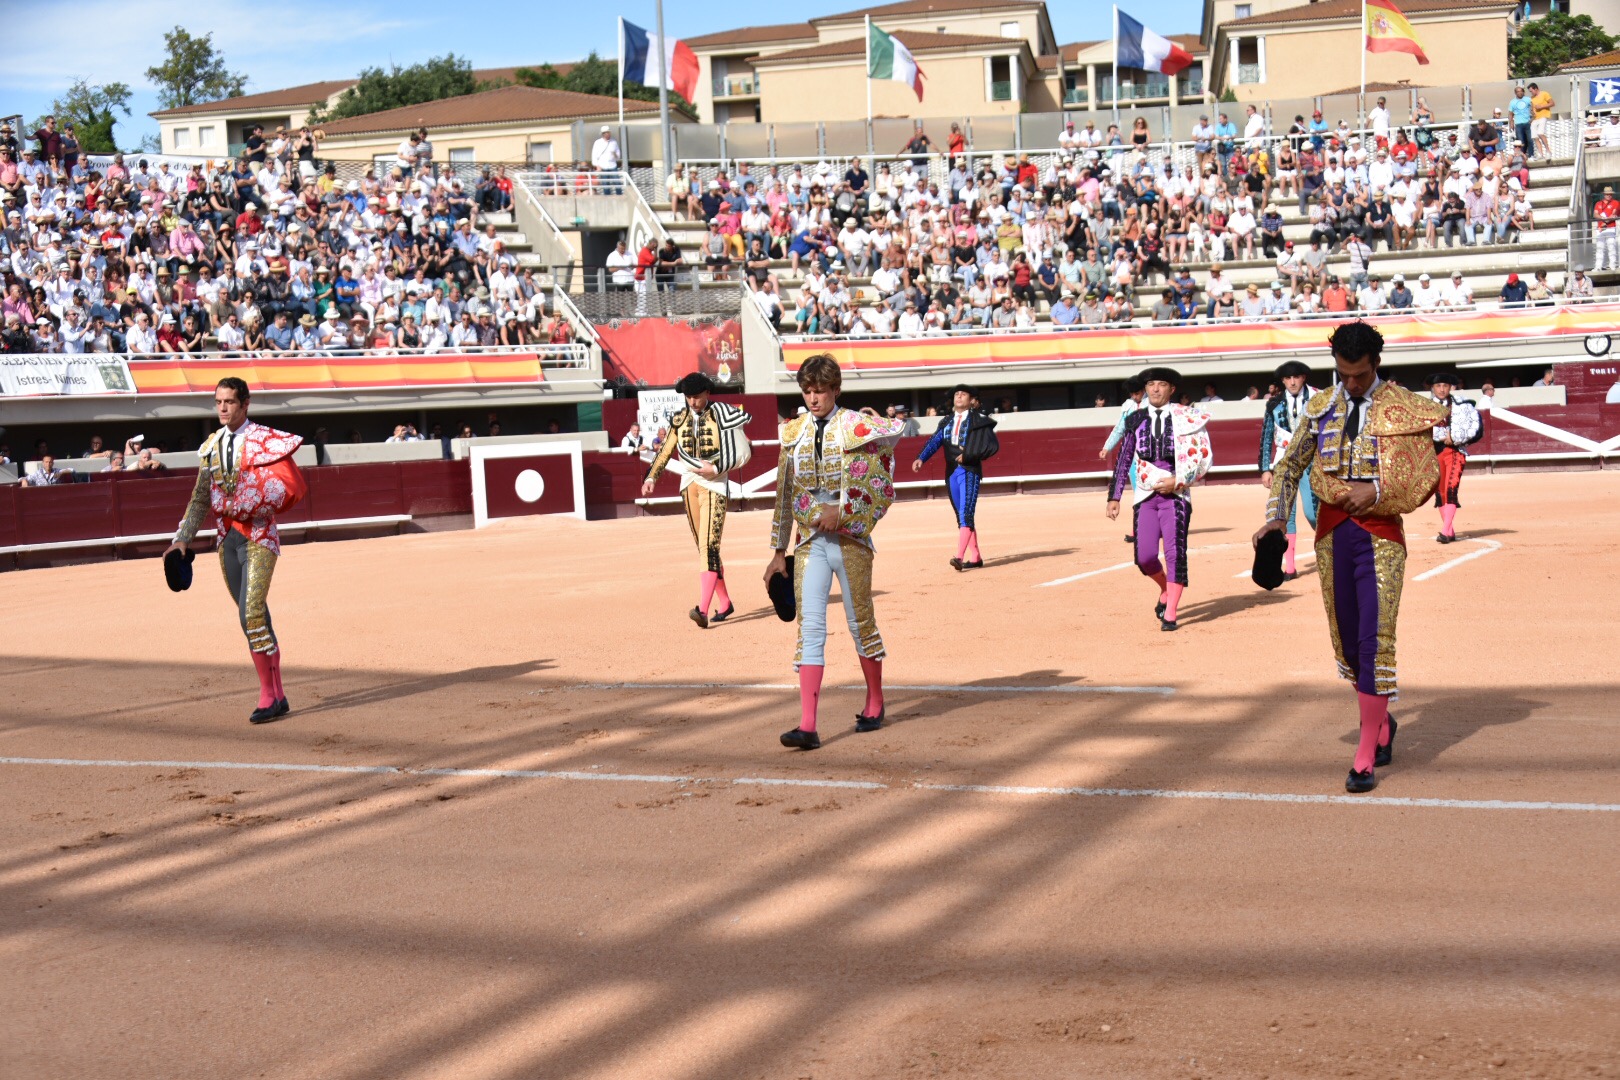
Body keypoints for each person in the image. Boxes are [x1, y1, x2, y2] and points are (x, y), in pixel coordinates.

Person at [1255, 322, 1451, 793]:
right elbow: (1287, 469)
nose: (1352, 383)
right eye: (1344, 373)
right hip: (1331, 535)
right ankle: (1381, 725)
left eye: (1360, 374)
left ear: (1376, 365)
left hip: (1382, 536)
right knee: (1345, 640)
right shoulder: (1323, 407)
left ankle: (1364, 757)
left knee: (1373, 640)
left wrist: (1379, 489)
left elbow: (1425, 477)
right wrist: (1277, 519)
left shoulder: (1403, 407)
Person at [766, 354, 906, 750]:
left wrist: (842, 511)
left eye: (820, 391)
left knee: (860, 620)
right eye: (807, 392)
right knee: (809, 628)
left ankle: (875, 701)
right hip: (809, 540)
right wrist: (778, 550)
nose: (813, 399)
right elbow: (784, 494)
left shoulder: (856, 426)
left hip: (851, 539)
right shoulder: (792, 432)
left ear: (836, 390)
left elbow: (880, 484)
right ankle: (807, 725)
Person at [166, 378, 307, 724]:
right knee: (252, 617)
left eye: (229, 401)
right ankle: (278, 694)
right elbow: (200, 497)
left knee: (251, 613)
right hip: (226, 538)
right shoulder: (210, 446)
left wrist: (254, 502)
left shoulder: (264, 440)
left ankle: (267, 696)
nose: (223, 408)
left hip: (259, 535)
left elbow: (290, 488)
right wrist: (182, 537)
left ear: (245, 404)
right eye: (218, 402)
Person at [639, 372, 754, 628]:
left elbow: (744, 451)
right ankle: (724, 603)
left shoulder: (723, 414)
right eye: (688, 397)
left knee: (709, 546)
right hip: (689, 484)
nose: (692, 402)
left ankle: (701, 610)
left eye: (696, 397)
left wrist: (717, 468)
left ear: (707, 393)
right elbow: (666, 450)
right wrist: (652, 477)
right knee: (704, 548)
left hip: (715, 485)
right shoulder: (679, 420)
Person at [1106, 367, 1214, 632]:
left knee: (1175, 552)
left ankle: (1172, 613)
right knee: (1144, 557)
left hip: (1176, 495)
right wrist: (1114, 495)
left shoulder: (1187, 417)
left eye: (1161, 384)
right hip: (1145, 493)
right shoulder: (1135, 419)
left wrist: (1177, 480)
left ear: (1171, 389)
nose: (1155, 389)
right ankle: (1165, 588)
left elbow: (1203, 457)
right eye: (1151, 384)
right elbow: (1124, 458)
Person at [912, 384, 999, 571]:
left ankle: (959, 557)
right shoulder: (946, 421)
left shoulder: (979, 420)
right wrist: (921, 458)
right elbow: (935, 440)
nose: (959, 396)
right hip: (951, 471)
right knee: (962, 515)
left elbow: (990, 445)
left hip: (969, 470)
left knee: (966, 512)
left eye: (963, 394)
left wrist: (969, 455)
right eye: (956, 394)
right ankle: (975, 557)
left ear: (971, 400)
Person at [1258, 361, 1320, 580]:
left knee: (1314, 513)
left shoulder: (1319, 398)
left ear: (1304, 378)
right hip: (1285, 462)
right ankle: (1291, 567)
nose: (1292, 382)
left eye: (1296, 377)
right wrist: (1266, 468)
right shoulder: (1274, 404)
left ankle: (1327, 548)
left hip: (1314, 462)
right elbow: (1266, 437)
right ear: (1283, 381)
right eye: (1288, 378)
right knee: (1286, 514)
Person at [1427, 371, 1481, 545]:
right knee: (1440, 491)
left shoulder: (1463, 405)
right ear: (1432, 388)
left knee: (1451, 488)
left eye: (1445, 386)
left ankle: (1445, 531)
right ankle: (1449, 531)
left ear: (1450, 387)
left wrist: (1456, 437)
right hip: (1435, 452)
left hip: (1455, 451)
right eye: (1438, 386)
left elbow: (1476, 427)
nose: (1442, 389)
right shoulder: (1425, 407)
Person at [1099, 374, 1148, 545]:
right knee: (1140, 495)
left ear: (1143, 390)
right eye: (1132, 394)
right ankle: (1139, 530)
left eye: (1137, 393)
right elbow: (1119, 429)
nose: (1135, 396)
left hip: (1154, 458)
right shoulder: (1128, 407)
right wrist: (1107, 447)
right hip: (1135, 459)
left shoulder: (1155, 404)